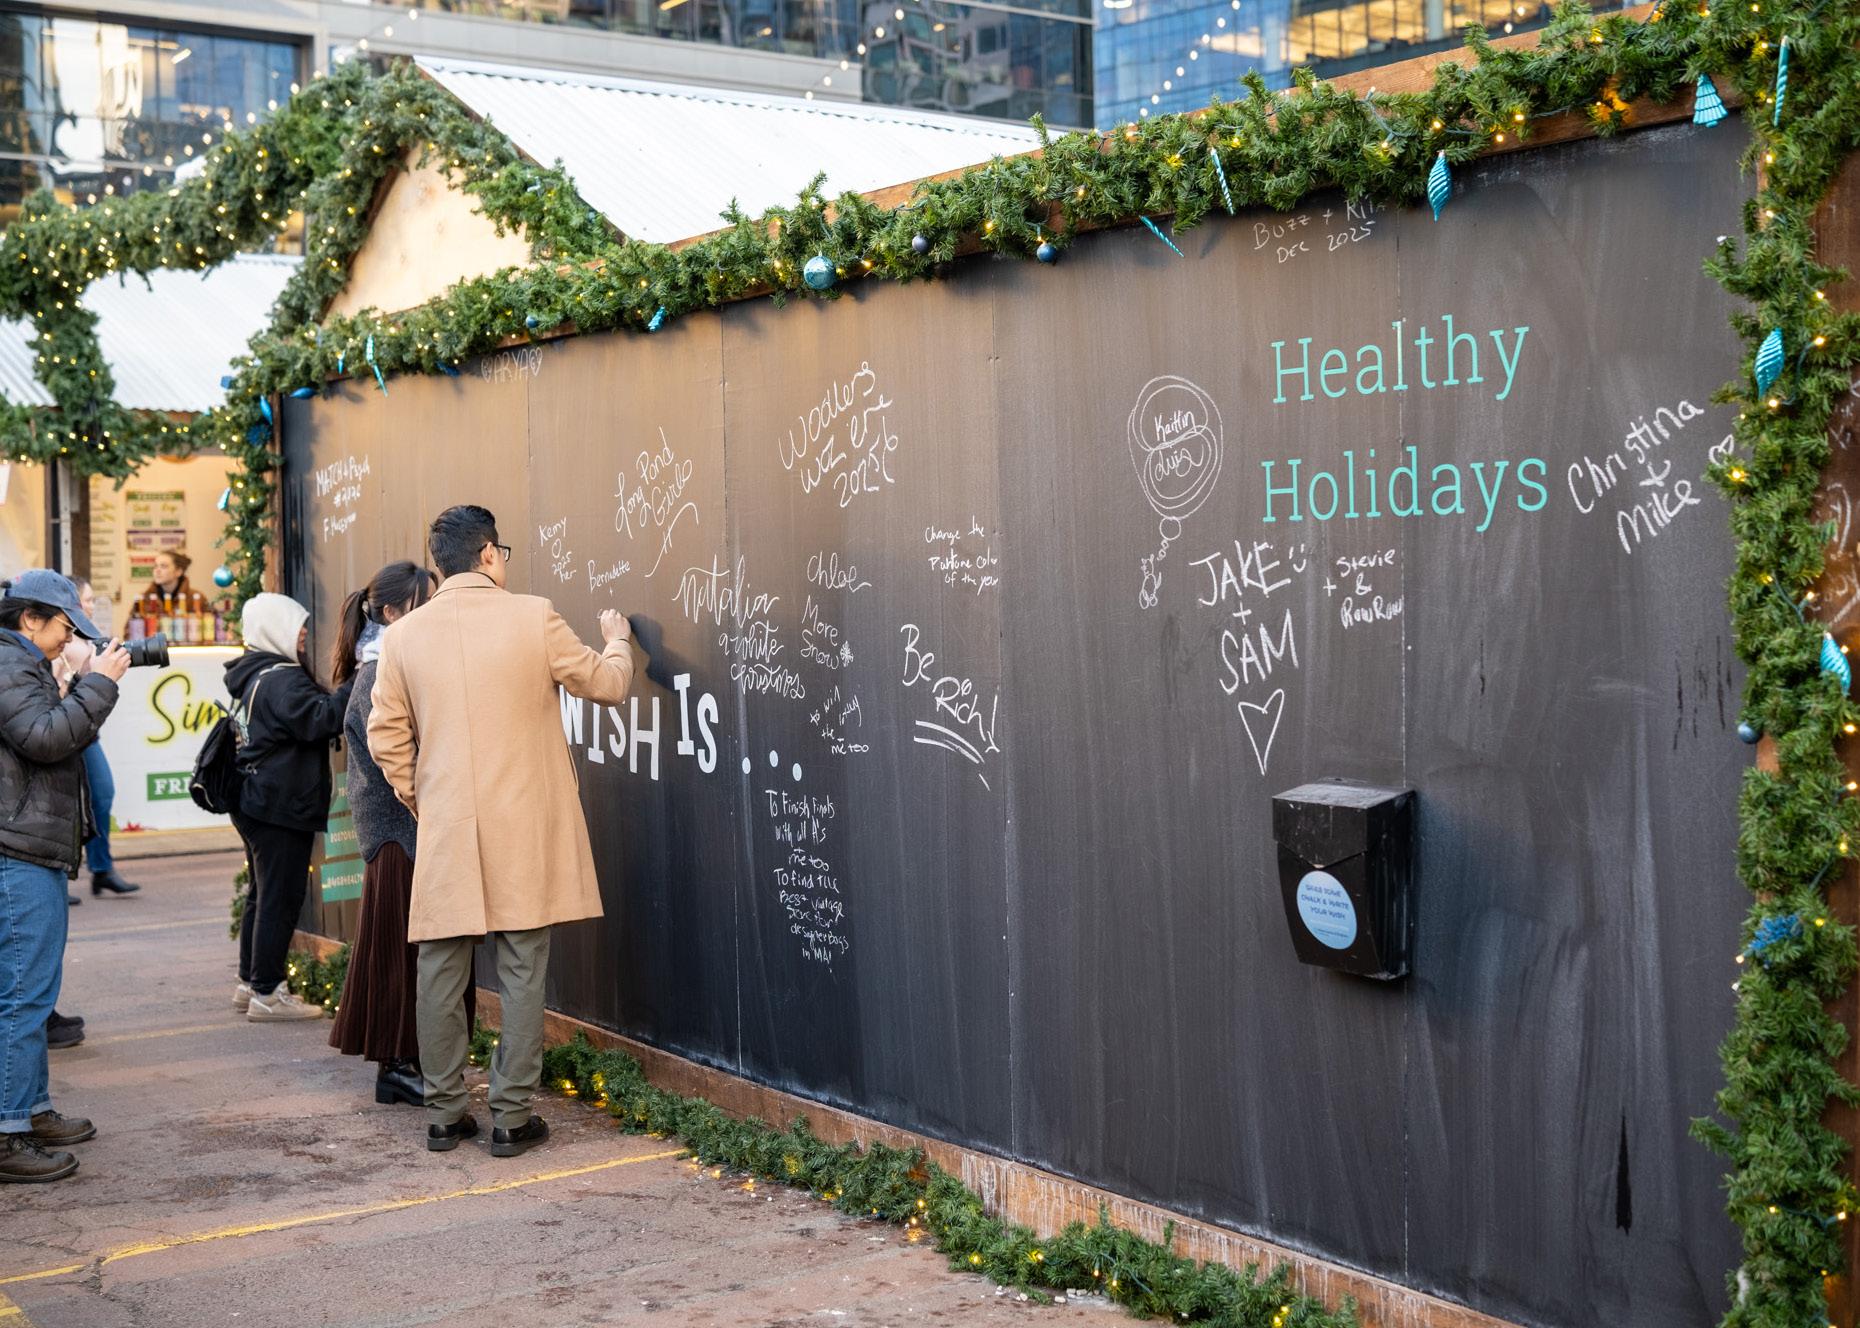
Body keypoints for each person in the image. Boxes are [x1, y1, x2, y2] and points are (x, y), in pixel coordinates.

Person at [369, 505, 634, 1157]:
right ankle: (511, 1117)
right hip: (523, 824)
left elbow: (386, 738)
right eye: (502, 551)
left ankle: (443, 1114)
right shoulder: (533, 616)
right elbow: (607, 685)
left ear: (440, 565)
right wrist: (619, 639)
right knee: (522, 967)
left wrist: (425, 800)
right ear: (488, 553)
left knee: (439, 965)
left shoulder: (403, 638)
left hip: (448, 825)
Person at [327, 560, 476, 1108]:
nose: (434, 612)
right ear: (392, 612)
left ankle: (410, 1063)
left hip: (409, 829)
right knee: (400, 951)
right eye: (423, 603)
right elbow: (394, 756)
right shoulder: (379, 671)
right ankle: (397, 1064)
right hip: (399, 833)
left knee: (412, 950)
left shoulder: (396, 661)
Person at [0, 570, 129, 1182]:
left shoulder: (22, 663)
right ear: (30, 619)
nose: (69, 638)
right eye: (64, 626)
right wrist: (98, 684)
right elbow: (45, 739)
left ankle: (30, 1109)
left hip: (29, 845)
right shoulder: (9, 663)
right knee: (24, 996)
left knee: (32, 990)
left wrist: (79, 684)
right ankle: (8, 1131)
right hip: (18, 849)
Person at [227, 593, 353, 1022]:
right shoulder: (282, 680)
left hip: (256, 800)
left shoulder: (254, 674)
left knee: (262, 894)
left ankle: (251, 982)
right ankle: (268, 993)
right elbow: (324, 718)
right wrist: (365, 672)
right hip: (279, 805)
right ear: (274, 629)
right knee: (279, 898)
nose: (303, 634)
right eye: (296, 625)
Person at [60, 580, 141, 899]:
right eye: (88, 599)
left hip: (86, 735)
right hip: (63, 733)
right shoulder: (63, 641)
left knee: (102, 794)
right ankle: (58, 876)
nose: (92, 606)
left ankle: (101, 868)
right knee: (63, 805)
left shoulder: (84, 638)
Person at [126, 549, 192, 630]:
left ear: (178, 572)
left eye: (163, 566)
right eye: (155, 566)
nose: (157, 570)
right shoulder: (143, 599)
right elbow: (128, 632)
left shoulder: (194, 598)